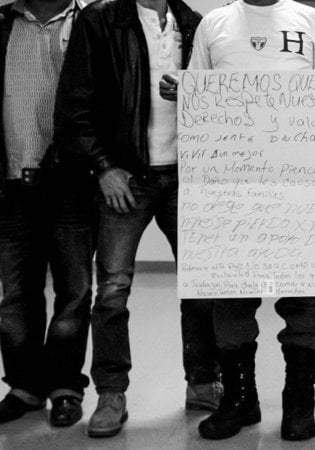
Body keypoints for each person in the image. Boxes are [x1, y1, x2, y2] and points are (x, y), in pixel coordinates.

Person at [160, 0, 315, 440]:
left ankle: (299, 403)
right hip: (231, 189)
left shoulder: (309, 19)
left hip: (300, 188)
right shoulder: (214, 25)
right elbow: (199, 94)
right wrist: (181, 91)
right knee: (232, 299)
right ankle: (241, 401)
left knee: (302, 302)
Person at [51, 0, 216, 437]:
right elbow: (75, 104)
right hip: (126, 177)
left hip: (185, 175)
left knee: (200, 287)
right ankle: (111, 393)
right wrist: (104, 166)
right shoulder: (101, 20)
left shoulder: (193, 24)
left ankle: (202, 382)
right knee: (112, 291)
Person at [0, 0, 96, 428]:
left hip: (71, 182)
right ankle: (24, 387)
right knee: (17, 295)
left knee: (73, 293)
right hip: (9, 184)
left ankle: (64, 389)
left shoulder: (90, 21)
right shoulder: (3, 24)